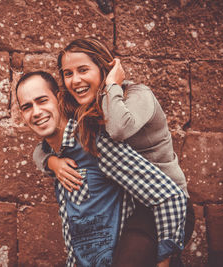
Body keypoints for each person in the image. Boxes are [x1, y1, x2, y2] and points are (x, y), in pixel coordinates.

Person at [33, 37, 195, 266]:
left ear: (104, 67)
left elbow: (119, 129)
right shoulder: (84, 109)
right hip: (127, 208)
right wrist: (51, 162)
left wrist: (112, 84)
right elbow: (45, 144)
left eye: (83, 70)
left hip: (165, 204)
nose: (75, 80)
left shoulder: (138, 95)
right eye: (68, 73)